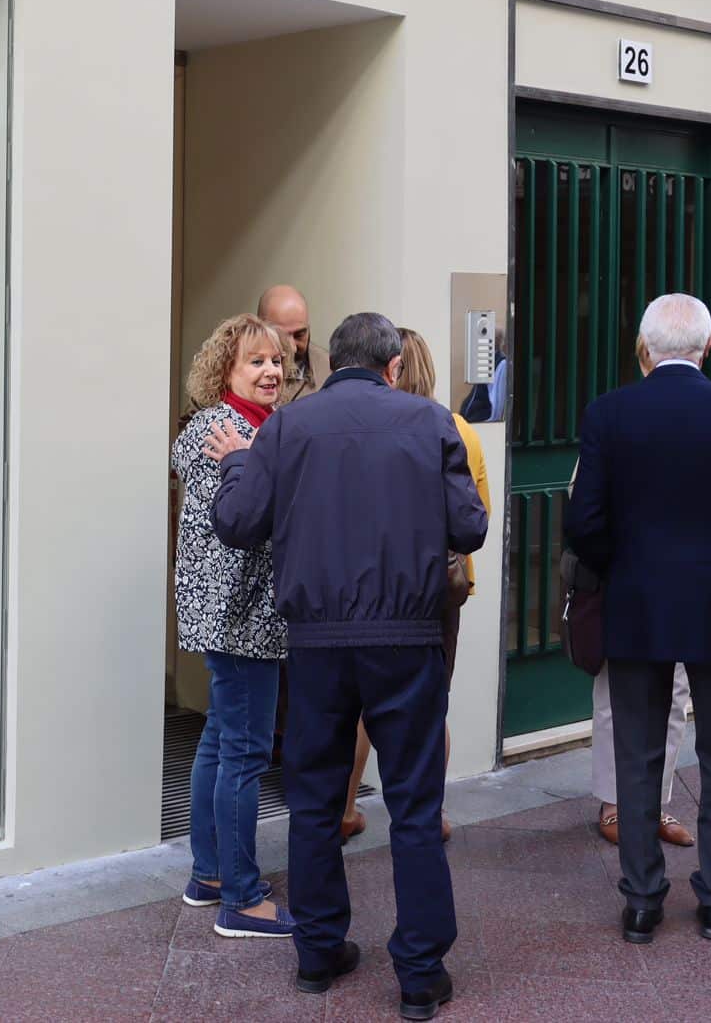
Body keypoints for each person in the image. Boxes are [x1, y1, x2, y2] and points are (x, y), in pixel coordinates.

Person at [209, 313, 486, 1016]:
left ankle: (318, 954)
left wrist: (237, 461)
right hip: (407, 637)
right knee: (416, 807)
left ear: (333, 361)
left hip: (318, 643)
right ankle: (419, 974)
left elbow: (238, 523)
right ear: (393, 366)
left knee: (315, 801)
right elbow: (470, 527)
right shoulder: (430, 424)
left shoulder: (288, 428)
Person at [565, 294, 711, 946]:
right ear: (708, 347)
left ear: (644, 348)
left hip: (635, 605)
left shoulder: (610, 413)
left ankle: (641, 900)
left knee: (638, 754)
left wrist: (623, 571)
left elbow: (584, 522)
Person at [172, 314, 296, 939]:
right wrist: (254, 463)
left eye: (276, 360)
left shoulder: (248, 430)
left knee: (220, 743)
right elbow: (243, 524)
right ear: (226, 371)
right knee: (243, 754)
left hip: (224, 613)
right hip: (241, 615)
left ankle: (211, 874)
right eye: (256, 362)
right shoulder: (229, 431)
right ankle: (242, 899)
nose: (272, 370)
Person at [341, 328, 488, 845]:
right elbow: (476, 519)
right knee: (429, 703)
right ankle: (432, 812)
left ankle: (344, 805)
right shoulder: (457, 430)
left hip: (366, 586)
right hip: (439, 590)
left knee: (361, 703)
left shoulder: (359, 428)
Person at [588, 334, 694, 852]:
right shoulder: (613, 416)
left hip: (684, 587)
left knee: (675, 695)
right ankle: (614, 801)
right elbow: (582, 509)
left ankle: (659, 801)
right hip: (625, 583)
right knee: (617, 694)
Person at [258, 285, 329, 403]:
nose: (292, 347)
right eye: (281, 336)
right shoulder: (235, 371)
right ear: (259, 328)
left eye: (300, 335)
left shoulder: (329, 372)